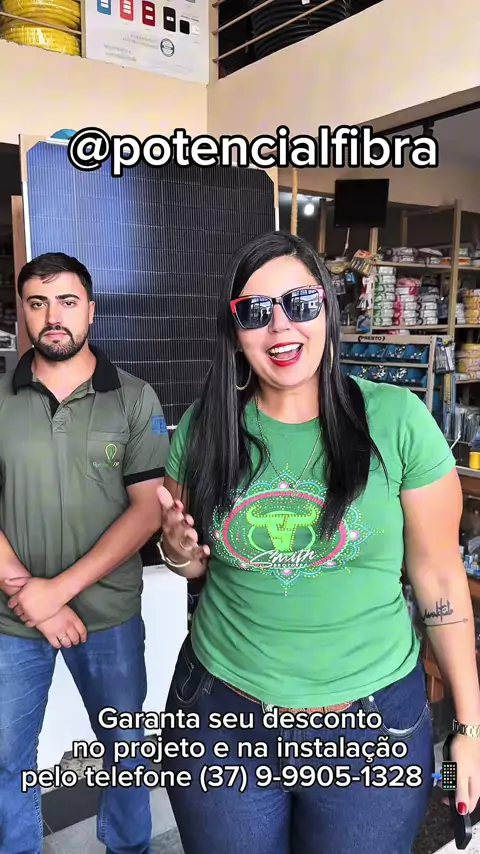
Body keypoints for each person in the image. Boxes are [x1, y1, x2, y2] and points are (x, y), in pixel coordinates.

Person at [157, 231, 480, 854]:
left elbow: (441, 580)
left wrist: (468, 726)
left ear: (328, 310)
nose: (280, 326)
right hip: (222, 717)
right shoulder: (205, 426)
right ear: (234, 330)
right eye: (255, 311)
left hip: (373, 729)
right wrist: (178, 553)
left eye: (300, 303)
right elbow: (188, 561)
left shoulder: (397, 420)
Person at [0, 253, 169, 854]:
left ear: (91, 311)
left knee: (127, 753)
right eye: (38, 302)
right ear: (22, 313)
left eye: (67, 302)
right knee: (7, 756)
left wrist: (58, 591)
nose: (53, 316)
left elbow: (147, 510)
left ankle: (129, 847)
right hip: (13, 620)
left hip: (109, 616)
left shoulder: (135, 399)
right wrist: (32, 596)